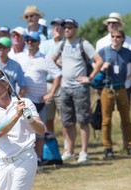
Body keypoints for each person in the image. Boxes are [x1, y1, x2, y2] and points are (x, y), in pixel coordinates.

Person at [53, 19, 102, 163]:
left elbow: (99, 61)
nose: (67, 30)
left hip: (80, 88)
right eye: (65, 28)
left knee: (83, 121)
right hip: (65, 87)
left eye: (69, 27)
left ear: (76, 29)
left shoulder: (83, 44)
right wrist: (60, 65)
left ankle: (84, 152)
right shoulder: (61, 44)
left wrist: (90, 77)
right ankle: (70, 150)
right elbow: (52, 60)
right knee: (67, 121)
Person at [16, 31, 61, 165]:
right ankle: (24, 159)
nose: (30, 43)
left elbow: (57, 75)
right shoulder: (19, 57)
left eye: (33, 41)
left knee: (39, 132)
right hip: (22, 101)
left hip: (38, 101)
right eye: (28, 40)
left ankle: (39, 158)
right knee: (23, 131)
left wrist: (51, 93)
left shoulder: (45, 59)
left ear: (38, 43)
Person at [97, 30, 131, 159]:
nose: (115, 39)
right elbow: (93, 63)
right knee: (106, 120)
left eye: (118, 37)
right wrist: (101, 67)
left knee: (126, 119)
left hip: (121, 88)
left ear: (123, 39)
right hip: (107, 88)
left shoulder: (127, 52)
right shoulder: (104, 51)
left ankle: (130, 146)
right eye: (113, 37)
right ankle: (107, 148)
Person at [40, 18, 65, 134]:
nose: (56, 28)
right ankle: (51, 141)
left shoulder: (67, 43)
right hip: (48, 83)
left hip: (63, 84)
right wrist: (57, 62)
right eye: (54, 26)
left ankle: (67, 147)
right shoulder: (45, 44)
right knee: (48, 117)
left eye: (59, 26)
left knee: (65, 117)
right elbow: (43, 62)